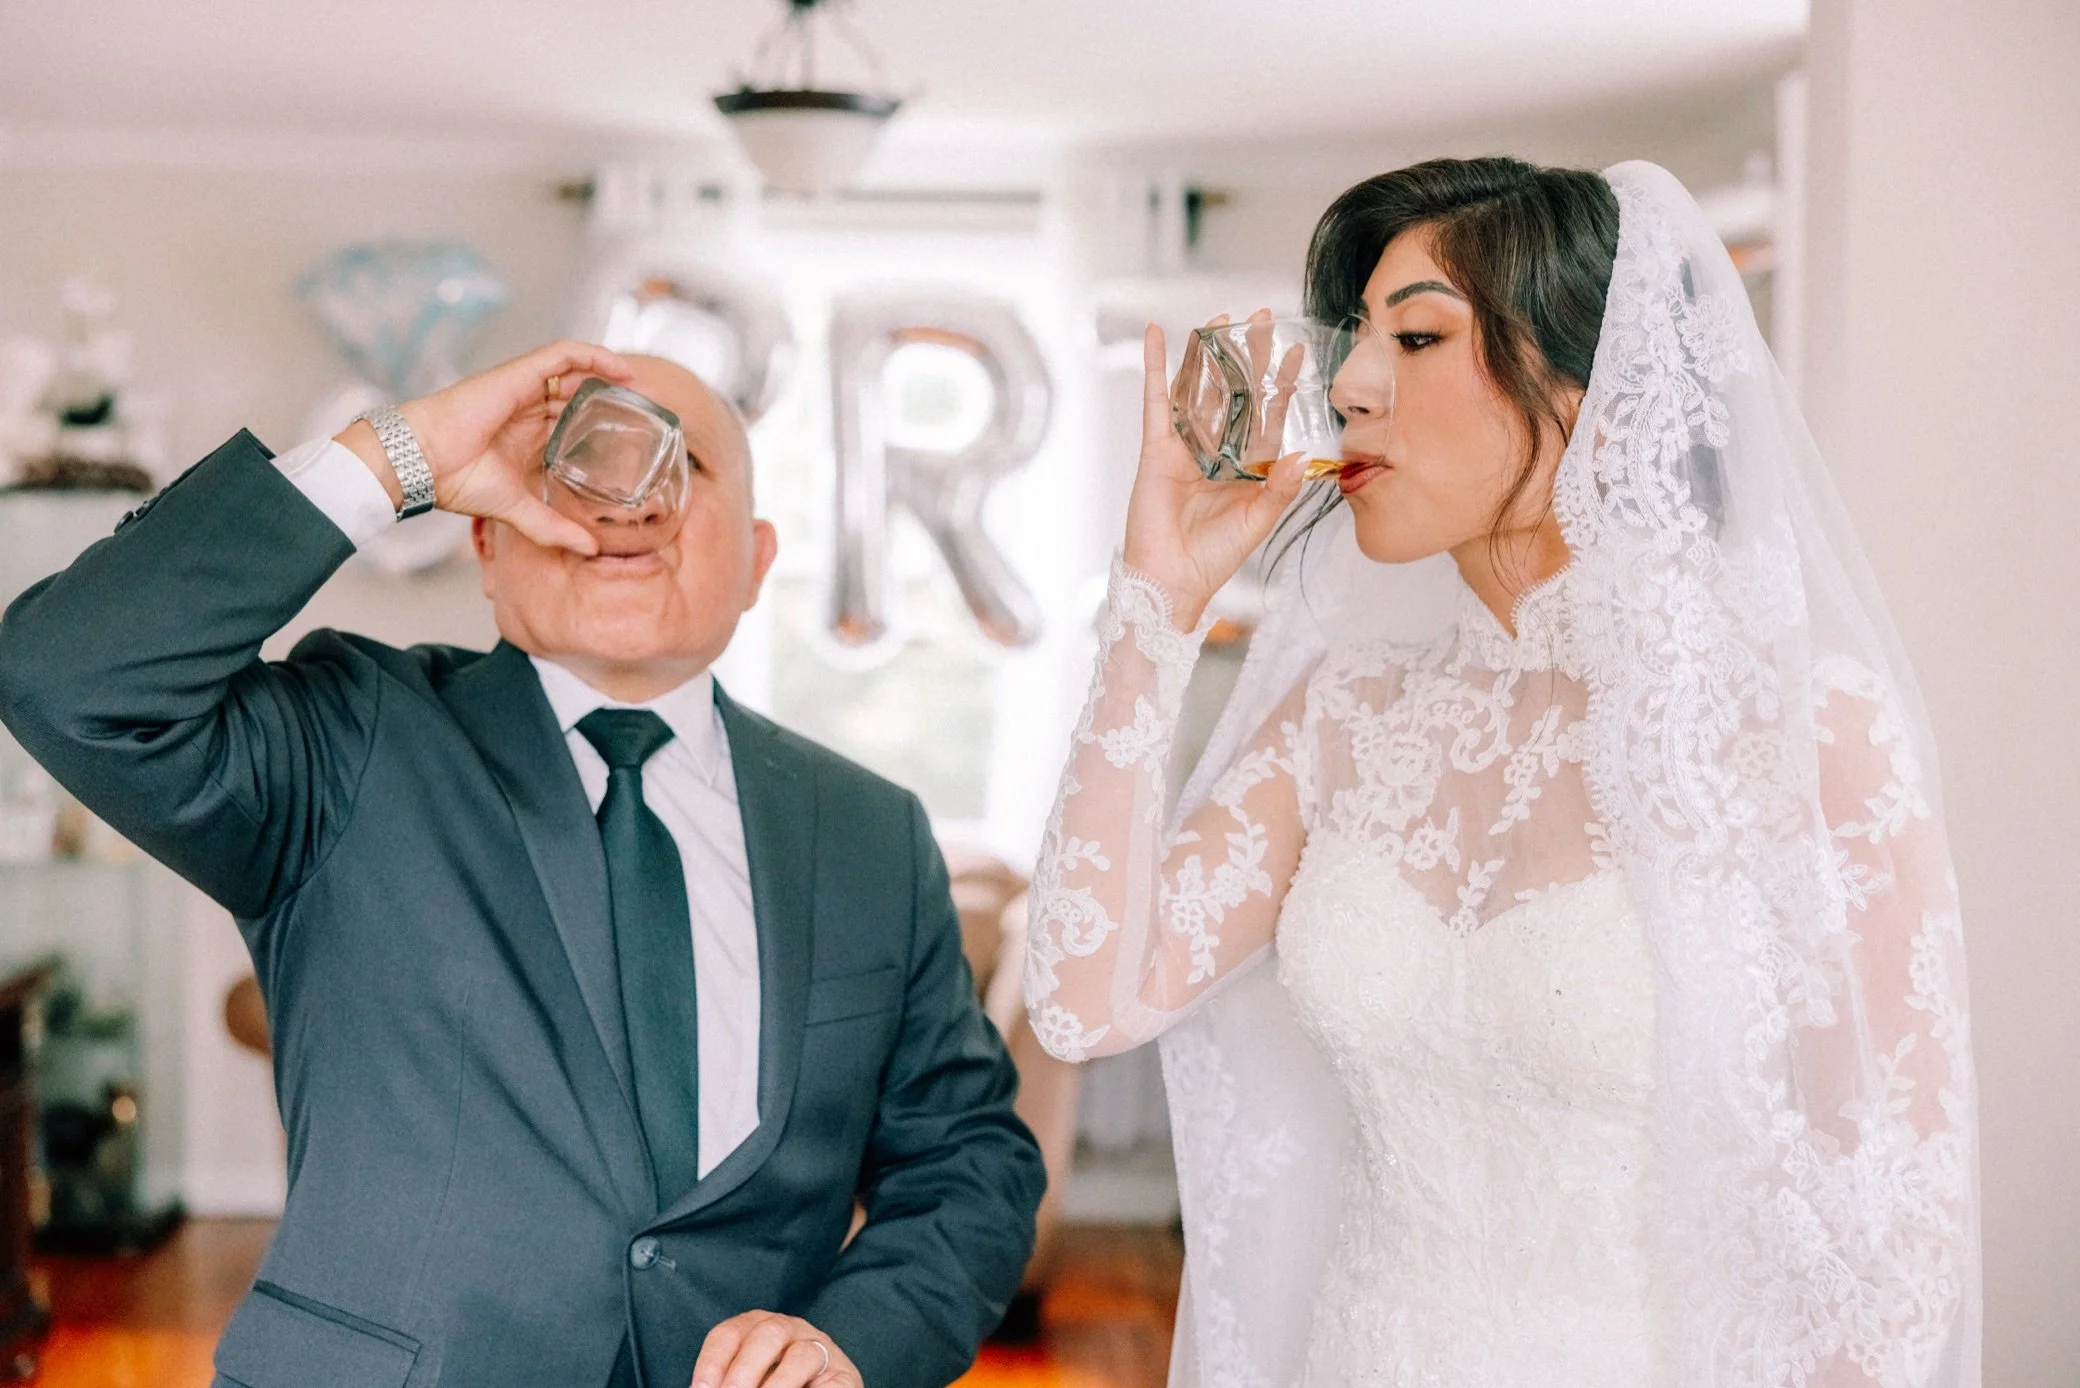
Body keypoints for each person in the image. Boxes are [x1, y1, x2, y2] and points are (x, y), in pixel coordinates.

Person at [1026, 158, 1979, 1388]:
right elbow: (1082, 999)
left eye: (1416, 336)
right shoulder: (1347, 717)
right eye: (1355, 340)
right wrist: (1154, 604)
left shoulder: (1800, 732)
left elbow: (1889, 1254)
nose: (1351, 387)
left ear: (1590, 386)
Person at [0, 342, 1045, 1388]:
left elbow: (968, 1164)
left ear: (759, 557)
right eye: (579, 461)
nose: (629, 502)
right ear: (488, 546)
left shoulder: (871, 831)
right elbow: (66, 674)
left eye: (682, 466)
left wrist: (850, 1339)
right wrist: (399, 456)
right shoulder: (349, 742)